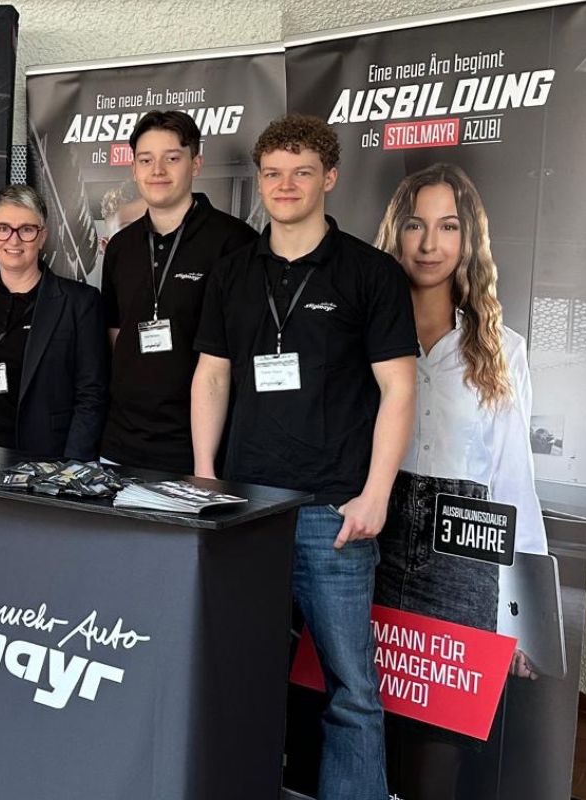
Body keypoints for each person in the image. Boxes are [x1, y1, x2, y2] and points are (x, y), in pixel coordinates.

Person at [190, 114, 418, 799]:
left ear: (330, 179)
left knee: (351, 690)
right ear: (259, 182)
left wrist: (376, 494)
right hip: (246, 512)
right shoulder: (234, 272)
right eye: (273, 173)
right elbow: (211, 375)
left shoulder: (370, 274)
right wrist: (204, 476)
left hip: (333, 514)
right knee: (243, 682)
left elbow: (399, 388)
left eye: (301, 172)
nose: (285, 186)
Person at [372, 163, 545, 798]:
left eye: (447, 226)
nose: (428, 243)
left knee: (436, 757)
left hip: (462, 550)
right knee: (364, 729)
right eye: (415, 224)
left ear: (467, 238)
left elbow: (511, 483)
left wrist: (516, 618)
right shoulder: (364, 333)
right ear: (397, 232)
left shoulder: (504, 349)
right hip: (374, 535)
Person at [100, 110, 257, 474]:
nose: (158, 171)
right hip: (120, 445)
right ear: (134, 169)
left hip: (198, 451)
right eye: (146, 160)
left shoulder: (235, 243)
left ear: (196, 163)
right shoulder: (121, 246)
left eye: (172, 158)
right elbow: (115, 332)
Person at [0, 185, 108, 459]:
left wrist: (70, 468)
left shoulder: (79, 302)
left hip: (45, 460)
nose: (13, 240)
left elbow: (91, 395)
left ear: (42, 236)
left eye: (26, 229)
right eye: (2, 228)